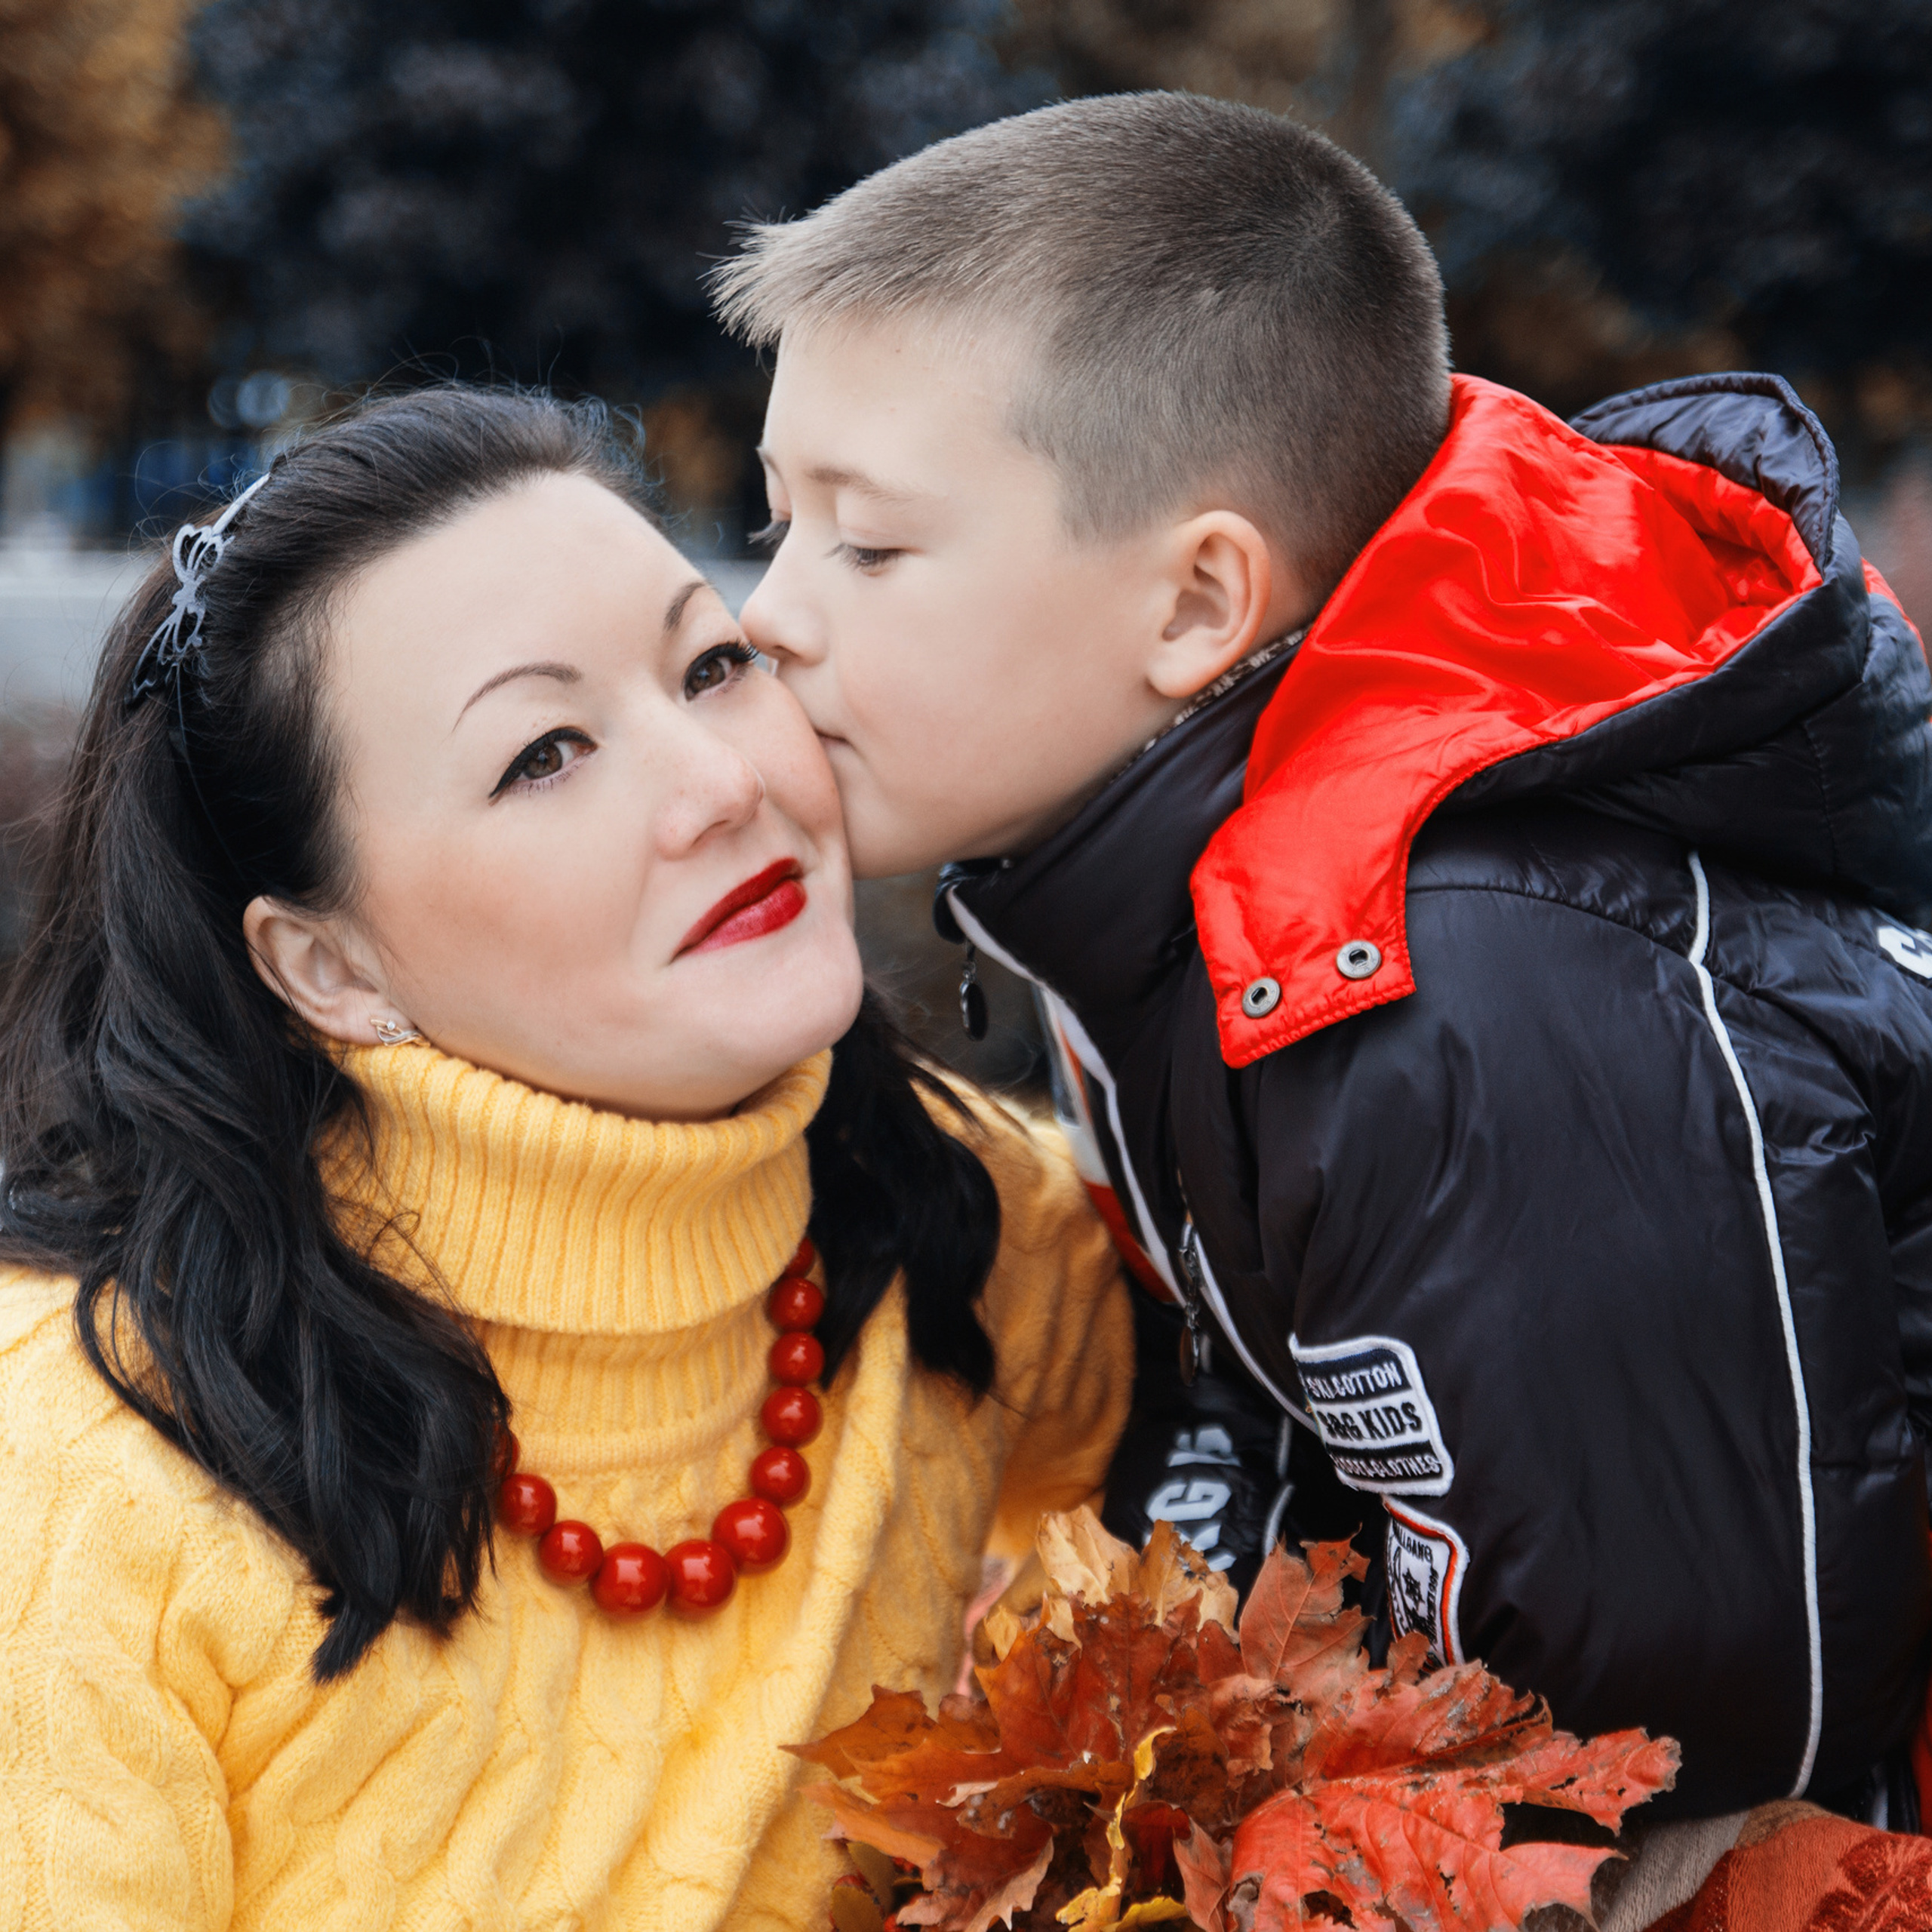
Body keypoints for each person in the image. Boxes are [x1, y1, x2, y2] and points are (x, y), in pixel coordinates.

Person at [715, 91, 1932, 1827]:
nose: (768, 611)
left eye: (868, 541)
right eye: (773, 520)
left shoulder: (1458, 1005)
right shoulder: (1157, 875)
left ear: (1198, 606)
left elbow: (1674, 1745)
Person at [0, 386, 1131, 1930]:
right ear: (324, 963)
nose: (721, 782)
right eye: (544, 753)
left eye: (713, 664)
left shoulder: (966, 1219)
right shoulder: (75, 1470)